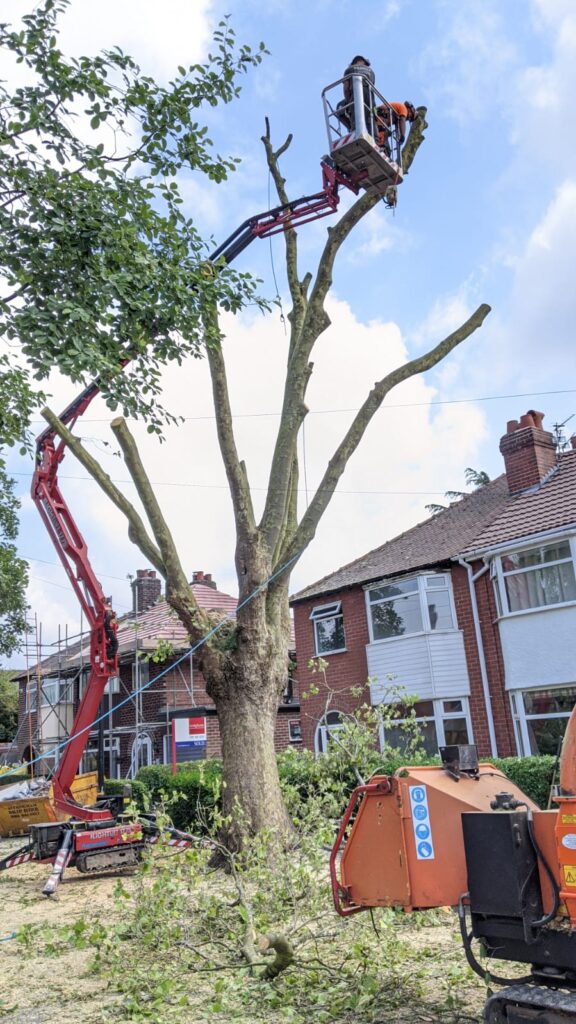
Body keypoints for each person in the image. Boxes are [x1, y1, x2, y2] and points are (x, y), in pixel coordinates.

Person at [336, 55, 376, 132]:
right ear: (359, 61)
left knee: (340, 107)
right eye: (365, 64)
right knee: (370, 118)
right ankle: (375, 137)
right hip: (371, 100)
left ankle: (354, 130)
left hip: (356, 96)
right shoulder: (372, 72)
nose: (366, 66)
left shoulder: (349, 70)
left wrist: (348, 103)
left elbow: (346, 89)